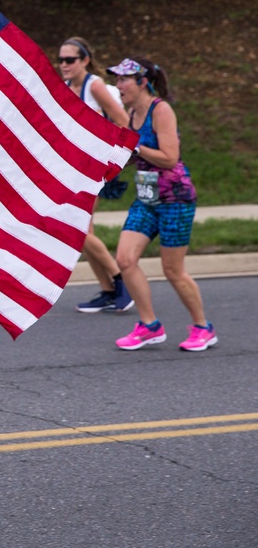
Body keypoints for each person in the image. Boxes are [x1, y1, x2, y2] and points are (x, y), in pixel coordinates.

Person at [106, 58, 216, 352]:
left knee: (172, 269)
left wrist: (136, 147)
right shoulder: (132, 112)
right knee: (125, 260)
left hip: (174, 199)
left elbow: (169, 157)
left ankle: (203, 328)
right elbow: (136, 155)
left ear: (143, 83)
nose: (118, 87)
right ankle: (149, 326)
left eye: (123, 80)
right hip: (146, 198)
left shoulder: (161, 110)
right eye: (116, 80)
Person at [58, 37, 134, 314]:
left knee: (79, 229)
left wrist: (115, 159)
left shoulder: (95, 86)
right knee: (83, 231)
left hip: (96, 168)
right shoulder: (66, 88)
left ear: (85, 60)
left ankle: (120, 282)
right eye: (61, 60)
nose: (64, 65)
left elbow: (124, 122)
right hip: (74, 168)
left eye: (70, 60)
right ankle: (110, 291)